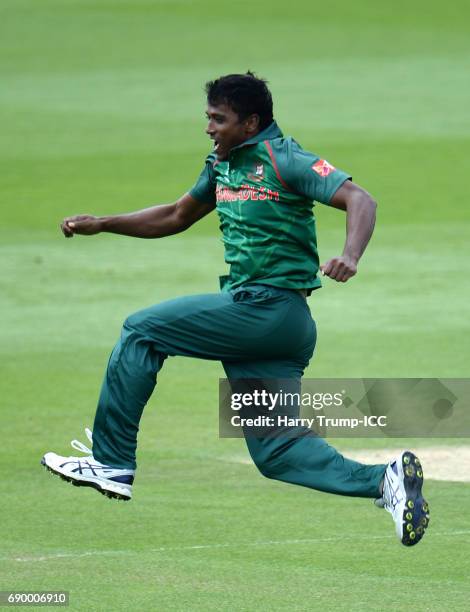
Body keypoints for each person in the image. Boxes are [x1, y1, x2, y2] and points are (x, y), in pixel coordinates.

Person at [41, 72, 429, 546]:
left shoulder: (286, 159)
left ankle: (111, 460)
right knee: (278, 453)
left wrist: (350, 255)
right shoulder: (221, 165)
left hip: (270, 310)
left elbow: (359, 198)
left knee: (142, 331)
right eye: (207, 117)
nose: (209, 128)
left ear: (250, 123)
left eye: (218, 119)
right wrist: (103, 223)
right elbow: (175, 215)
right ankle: (385, 481)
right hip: (266, 325)